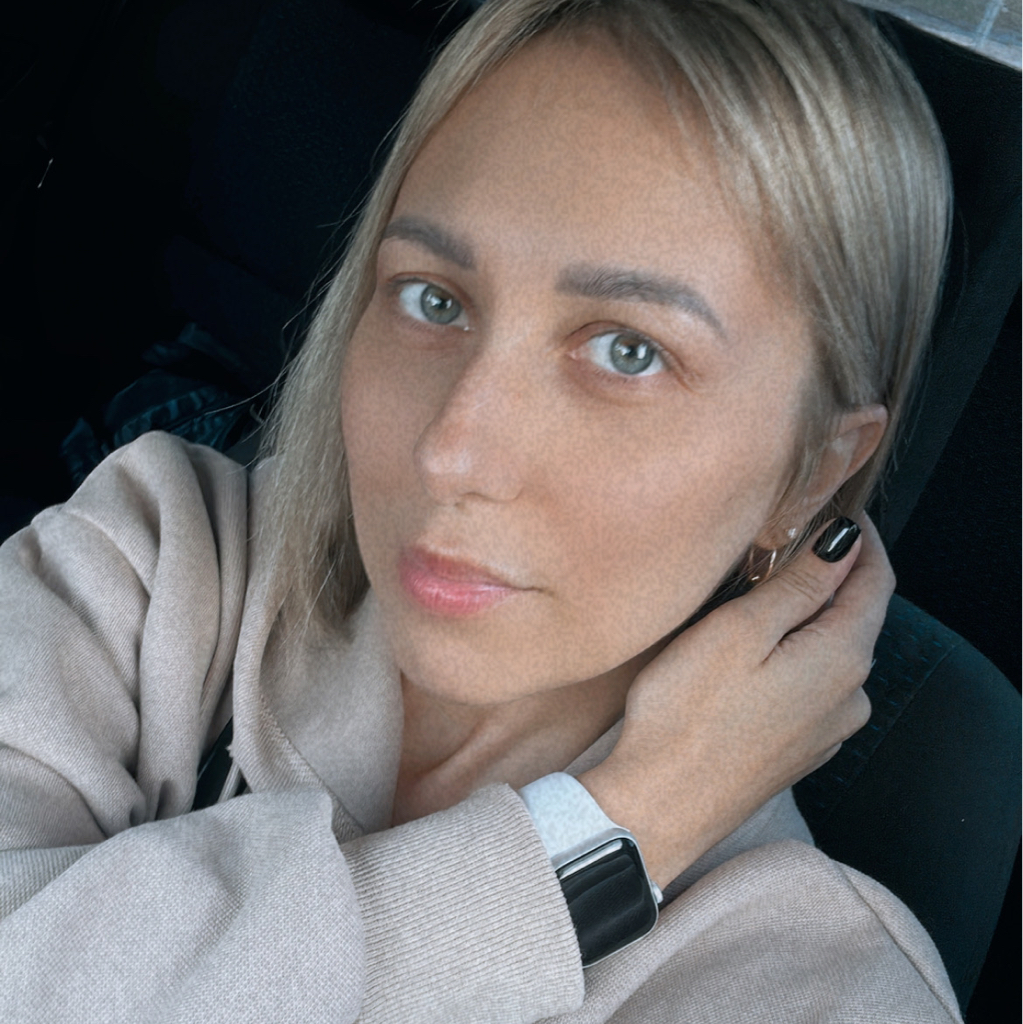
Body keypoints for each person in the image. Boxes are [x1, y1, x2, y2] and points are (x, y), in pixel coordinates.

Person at [0, 0, 961, 1020]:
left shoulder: (821, 992)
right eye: (435, 299)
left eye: (628, 351)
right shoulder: (158, 558)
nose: (449, 452)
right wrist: (618, 828)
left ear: (812, 473)